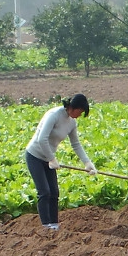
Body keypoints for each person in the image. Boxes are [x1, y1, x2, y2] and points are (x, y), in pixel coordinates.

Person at [24, 93, 97, 231]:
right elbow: (41, 139)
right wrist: (51, 158)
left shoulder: (72, 123)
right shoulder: (54, 115)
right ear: (72, 107)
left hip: (48, 159)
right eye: (80, 111)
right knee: (44, 192)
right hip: (35, 156)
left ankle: (54, 225)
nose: (79, 115)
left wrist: (87, 163)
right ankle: (46, 226)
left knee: (54, 192)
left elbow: (76, 144)